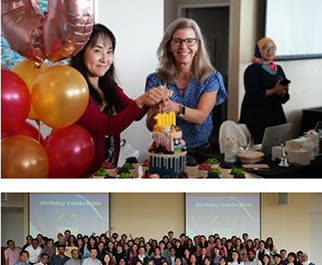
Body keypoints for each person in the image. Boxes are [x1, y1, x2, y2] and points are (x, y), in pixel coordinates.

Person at [70, 24, 170, 175]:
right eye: (97, 50)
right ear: (81, 52)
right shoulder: (76, 91)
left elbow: (134, 113)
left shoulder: (109, 86)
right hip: (86, 172)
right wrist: (143, 100)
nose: (105, 59)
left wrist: (153, 100)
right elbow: (109, 126)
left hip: (109, 167)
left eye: (109, 52)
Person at [145, 18, 227, 154]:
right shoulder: (155, 80)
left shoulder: (211, 78)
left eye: (190, 41)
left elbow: (201, 117)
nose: (183, 47)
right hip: (166, 152)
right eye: (177, 41)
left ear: (198, 46)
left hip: (201, 152)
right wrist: (156, 111)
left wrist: (176, 108)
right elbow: (150, 126)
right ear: (169, 46)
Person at [239, 37, 290, 144]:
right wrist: (274, 90)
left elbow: (285, 98)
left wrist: (283, 93)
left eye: (273, 48)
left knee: (276, 149)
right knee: (259, 150)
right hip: (256, 116)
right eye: (266, 48)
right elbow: (253, 95)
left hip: (275, 115)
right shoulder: (252, 69)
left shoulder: (278, 68)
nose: (270, 51)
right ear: (258, 50)